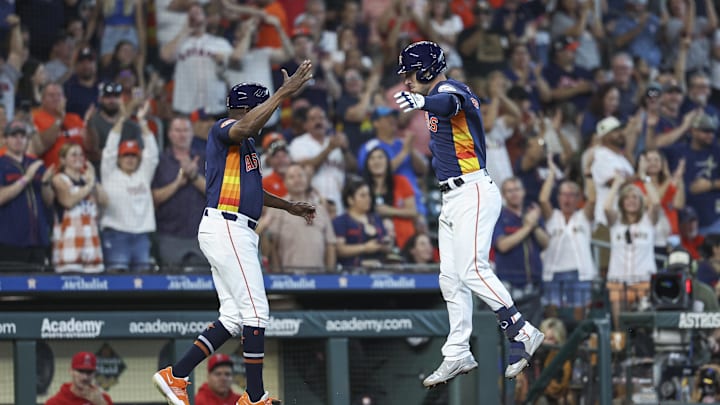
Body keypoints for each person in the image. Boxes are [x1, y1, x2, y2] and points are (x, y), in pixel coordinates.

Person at [152, 62, 315, 405]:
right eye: (263, 106)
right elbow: (242, 128)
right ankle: (254, 397)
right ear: (246, 108)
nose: (268, 113)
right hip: (227, 226)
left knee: (234, 318)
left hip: (231, 227)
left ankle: (176, 375)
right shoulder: (225, 127)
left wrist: (289, 206)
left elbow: (253, 190)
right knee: (256, 313)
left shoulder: (247, 147)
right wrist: (284, 93)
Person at [393, 41, 544, 384]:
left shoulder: (449, 89)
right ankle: (457, 351)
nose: (406, 81)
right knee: (450, 277)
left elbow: (451, 102)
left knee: (473, 268)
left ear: (429, 69)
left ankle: (520, 330)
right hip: (453, 196)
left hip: (472, 189)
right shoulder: (437, 94)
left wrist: (422, 101)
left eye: (410, 73)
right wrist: (423, 101)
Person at [100, 102, 158, 272]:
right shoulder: (109, 173)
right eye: (126, 155)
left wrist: (142, 121)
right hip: (117, 234)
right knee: (118, 283)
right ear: (119, 158)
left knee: (143, 284)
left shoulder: (143, 174)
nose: (130, 159)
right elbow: (109, 149)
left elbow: (152, 153)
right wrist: (122, 119)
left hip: (142, 236)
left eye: (133, 155)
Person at [0, 120, 55, 268]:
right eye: (14, 135)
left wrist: (45, 183)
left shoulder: (36, 163)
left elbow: (49, 201)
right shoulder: (2, 164)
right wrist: (26, 178)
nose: (19, 139)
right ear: (5, 139)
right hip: (9, 240)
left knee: (39, 287)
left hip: (38, 239)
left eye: (22, 136)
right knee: (11, 288)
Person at [52, 143, 108, 273]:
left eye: (81, 154)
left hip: (91, 244)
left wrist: (94, 181)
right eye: (73, 154)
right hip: (69, 246)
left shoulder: (87, 179)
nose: (78, 158)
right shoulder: (59, 179)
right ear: (63, 159)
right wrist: (89, 186)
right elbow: (68, 201)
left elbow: (105, 201)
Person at [45, 351, 113, 405]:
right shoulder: (55, 403)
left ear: (94, 373)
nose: (85, 377)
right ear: (71, 371)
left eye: (89, 372)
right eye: (81, 371)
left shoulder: (104, 399)